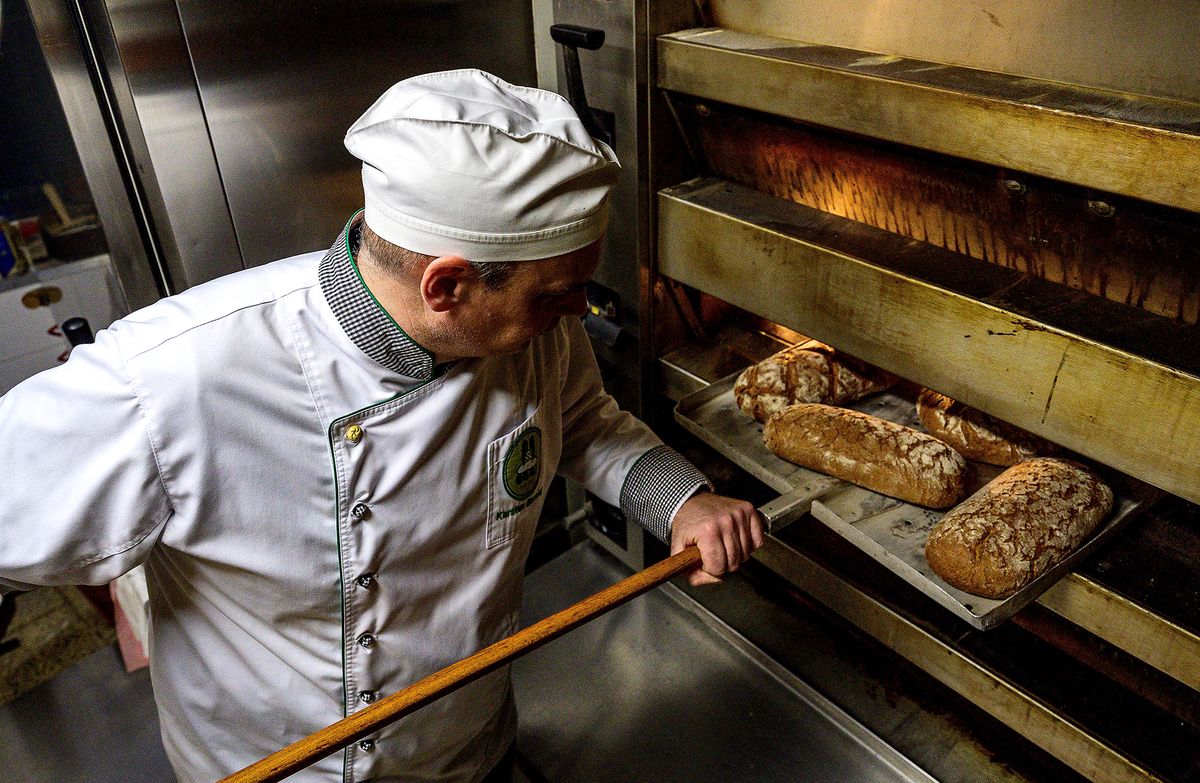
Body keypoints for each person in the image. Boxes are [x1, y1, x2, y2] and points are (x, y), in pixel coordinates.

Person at [0, 69, 762, 783]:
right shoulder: (171, 376)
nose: (578, 314)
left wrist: (682, 500)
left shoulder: (532, 332)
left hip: (469, 747)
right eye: (557, 295)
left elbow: (582, 420)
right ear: (448, 284)